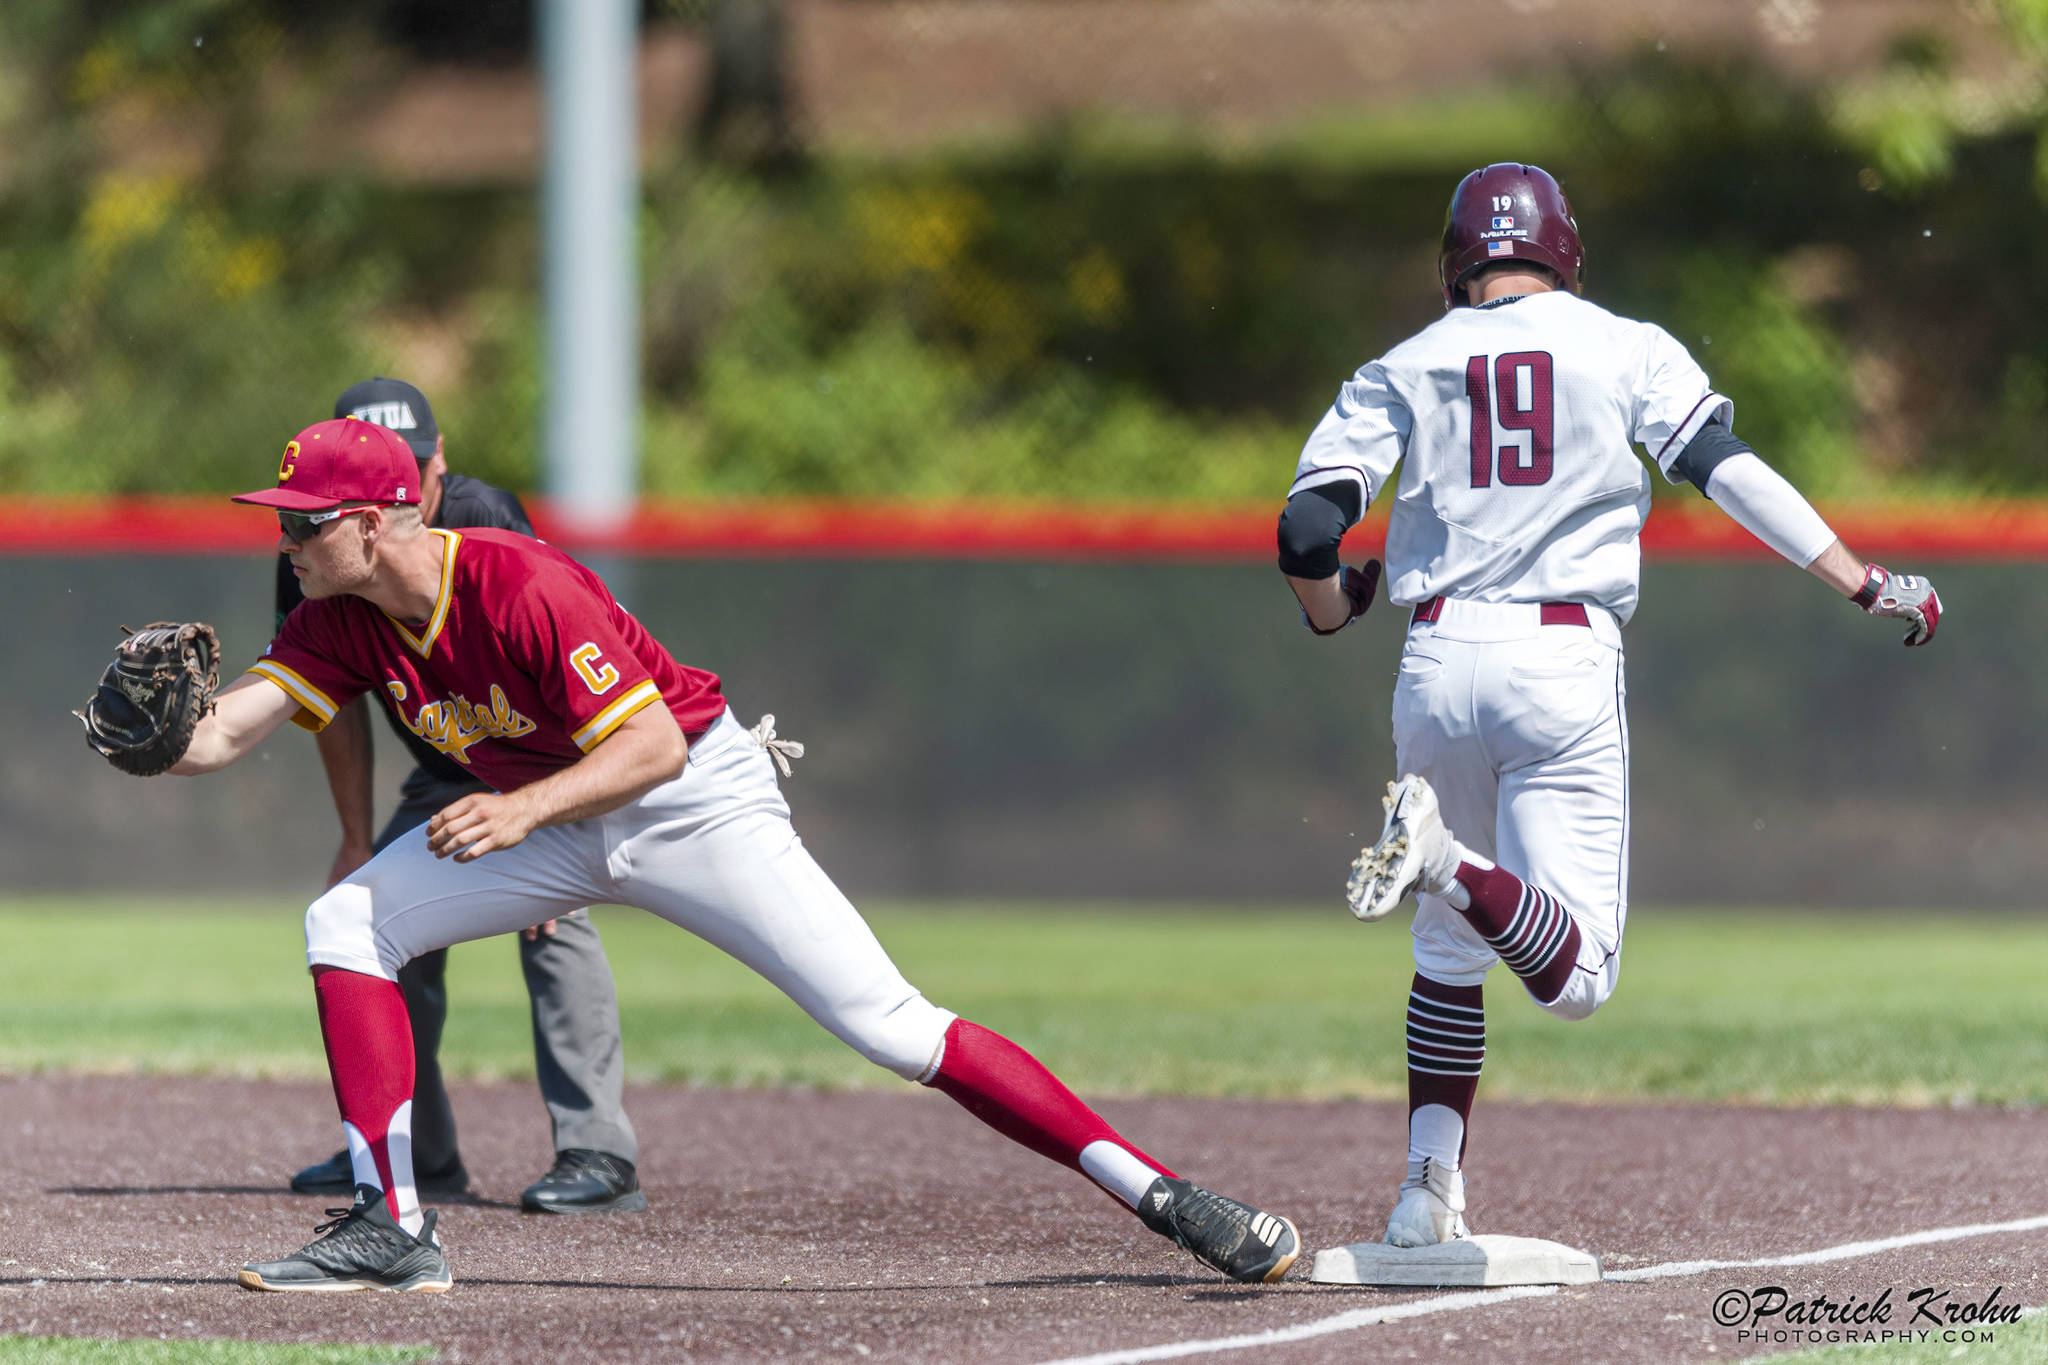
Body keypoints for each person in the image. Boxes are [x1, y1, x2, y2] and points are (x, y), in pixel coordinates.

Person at [151, 416, 1299, 1293]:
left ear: (373, 522)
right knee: (346, 923)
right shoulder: (335, 619)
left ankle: (1161, 1194)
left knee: (890, 1026)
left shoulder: (517, 581)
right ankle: (392, 1228)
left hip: (689, 799)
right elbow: (221, 737)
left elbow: (648, 744)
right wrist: (152, 743)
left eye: (304, 520)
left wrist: (523, 811)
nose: (285, 537)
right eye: (283, 517)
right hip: (556, 818)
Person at [1275, 163, 1943, 1250]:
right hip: (1558, 654)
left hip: (1434, 657)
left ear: (1456, 259)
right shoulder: (1623, 345)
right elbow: (1723, 469)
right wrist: (1861, 580)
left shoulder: (1400, 365)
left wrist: (1331, 606)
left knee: (1447, 955)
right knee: (1575, 978)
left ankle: (1422, 1194)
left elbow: (1305, 533)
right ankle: (1442, 859)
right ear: (1562, 249)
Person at [279, 377, 645, 1216]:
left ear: (439, 459)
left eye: (411, 463)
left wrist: (540, 814)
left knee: (557, 922)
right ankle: (414, 1148)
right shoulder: (313, 533)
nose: (396, 482)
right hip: (441, 759)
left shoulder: (485, 518)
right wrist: (354, 833)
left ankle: (597, 1148)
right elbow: (325, 700)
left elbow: (557, 675)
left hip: (541, 759)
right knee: (372, 916)